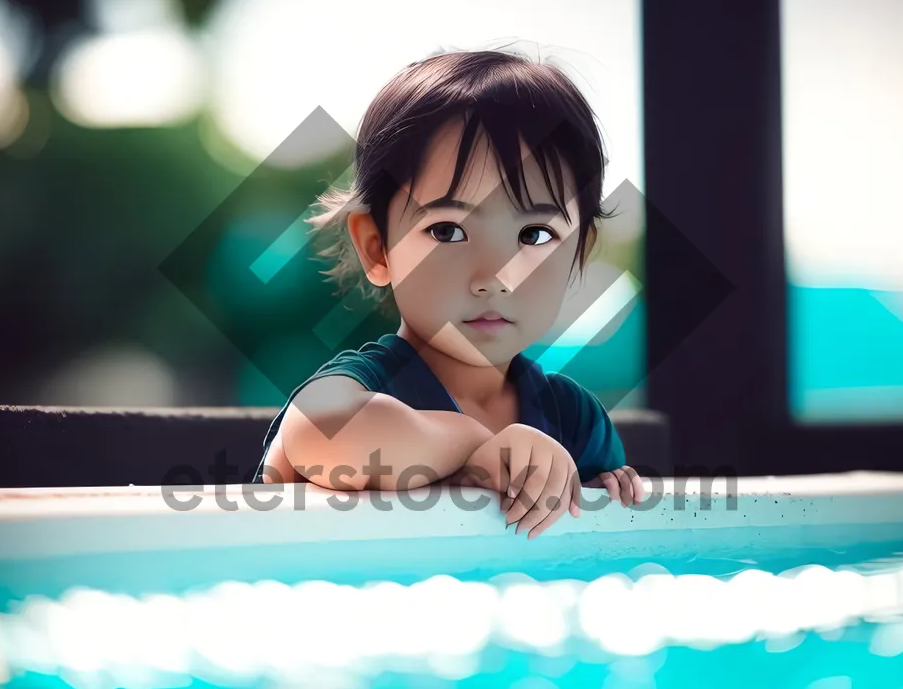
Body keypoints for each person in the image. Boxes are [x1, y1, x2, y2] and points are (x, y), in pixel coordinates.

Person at [254, 46, 647, 537]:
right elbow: (324, 431)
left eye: (535, 236)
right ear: (378, 248)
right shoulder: (364, 385)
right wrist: (473, 445)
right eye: (447, 231)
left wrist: (604, 486)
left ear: (577, 255)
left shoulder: (576, 420)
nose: (495, 274)